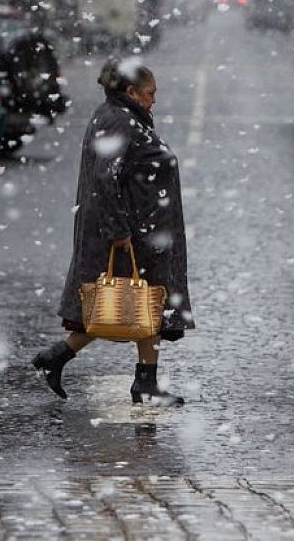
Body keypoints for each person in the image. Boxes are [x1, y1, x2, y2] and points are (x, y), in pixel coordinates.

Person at [33, 56, 193, 406]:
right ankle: (140, 383)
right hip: (132, 233)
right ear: (132, 91)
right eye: (150, 93)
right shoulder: (119, 121)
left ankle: (64, 359)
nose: (155, 100)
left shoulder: (121, 116)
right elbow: (106, 180)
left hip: (142, 230)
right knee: (133, 303)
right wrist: (121, 231)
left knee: (137, 304)